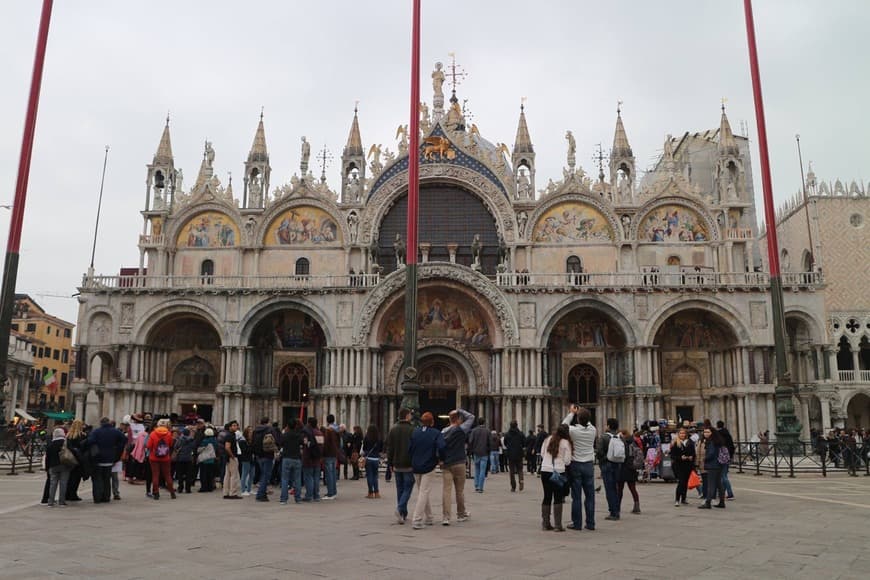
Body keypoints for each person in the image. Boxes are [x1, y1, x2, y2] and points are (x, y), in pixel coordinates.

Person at [409, 412, 445, 530]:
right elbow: (442, 447)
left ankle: (429, 517)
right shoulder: (436, 433)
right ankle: (417, 519)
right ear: (432, 422)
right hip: (429, 466)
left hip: (415, 466)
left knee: (422, 492)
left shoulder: (415, 432)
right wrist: (441, 459)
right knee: (423, 492)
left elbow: (409, 448)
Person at [563, 405, 597, 531]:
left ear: (578, 419)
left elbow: (563, 425)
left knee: (576, 496)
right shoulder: (593, 430)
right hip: (588, 465)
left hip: (576, 464)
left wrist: (572, 413)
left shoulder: (573, 430)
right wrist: (582, 413)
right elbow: (587, 422)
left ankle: (577, 523)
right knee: (590, 496)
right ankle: (591, 523)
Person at [441, 408, 475, 525]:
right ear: (459, 419)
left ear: (449, 419)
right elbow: (471, 417)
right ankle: (460, 515)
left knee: (446, 491)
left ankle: (446, 517)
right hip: (459, 463)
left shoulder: (443, 432)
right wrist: (459, 410)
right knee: (459, 491)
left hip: (447, 464)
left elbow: (440, 448)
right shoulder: (461, 429)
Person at [86, 417, 127, 504]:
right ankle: (106, 497)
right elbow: (124, 439)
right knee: (107, 479)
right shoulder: (115, 431)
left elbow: (90, 441)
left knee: (98, 479)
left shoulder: (96, 431)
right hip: (110, 459)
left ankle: (97, 497)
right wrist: (117, 450)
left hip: (98, 458)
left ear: (101, 423)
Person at [540, 425, 572, 532]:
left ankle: (545, 523)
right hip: (558, 471)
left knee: (547, 496)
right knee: (558, 497)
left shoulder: (547, 439)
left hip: (545, 470)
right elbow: (567, 461)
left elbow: (542, 454)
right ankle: (558, 525)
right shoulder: (565, 443)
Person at [386, 408, 415, 524]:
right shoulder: (412, 430)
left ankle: (403, 515)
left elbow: (389, 448)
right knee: (408, 488)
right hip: (409, 464)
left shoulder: (393, 430)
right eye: (410, 415)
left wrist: (390, 463)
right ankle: (400, 509)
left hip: (397, 464)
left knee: (400, 489)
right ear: (407, 416)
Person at [595, 417, 622, 521]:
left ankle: (613, 512)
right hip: (618, 465)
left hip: (607, 465)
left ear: (609, 426)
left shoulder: (603, 437)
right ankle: (617, 510)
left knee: (609, 489)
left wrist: (604, 459)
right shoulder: (620, 437)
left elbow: (599, 451)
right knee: (615, 488)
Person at [146, 418, 177, 500]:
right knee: (167, 475)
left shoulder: (153, 434)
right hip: (165, 458)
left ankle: (156, 493)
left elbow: (148, 446)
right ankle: (172, 492)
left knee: (155, 475)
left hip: (154, 458)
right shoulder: (169, 434)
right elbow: (170, 445)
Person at [251, 417, 280, 502]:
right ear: (268, 422)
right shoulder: (270, 429)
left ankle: (262, 494)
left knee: (263, 474)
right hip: (268, 455)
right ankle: (260, 495)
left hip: (258, 456)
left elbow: (253, 442)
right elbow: (277, 440)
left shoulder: (255, 430)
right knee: (266, 475)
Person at [699, 426, 727, 509]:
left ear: (712, 433)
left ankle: (708, 502)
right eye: (704, 432)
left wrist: (704, 458)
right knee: (718, 484)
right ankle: (722, 502)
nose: (705, 434)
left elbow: (711, 454)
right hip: (719, 464)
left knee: (711, 484)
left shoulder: (711, 442)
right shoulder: (717, 441)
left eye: (708, 432)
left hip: (712, 465)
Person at [45, 428, 73, 507]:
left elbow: (48, 457)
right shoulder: (66, 443)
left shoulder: (51, 444)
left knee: (53, 484)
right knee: (63, 483)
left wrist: (47, 468)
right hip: (65, 465)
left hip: (53, 466)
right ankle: (61, 501)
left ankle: (50, 502)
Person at [617, 428, 641, 515]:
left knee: (619, 489)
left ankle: (617, 507)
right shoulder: (633, 441)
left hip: (623, 467)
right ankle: (637, 506)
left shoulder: (622, 442)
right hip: (631, 467)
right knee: (633, 488)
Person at [279, 420, 304, 505]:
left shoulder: (285, 435)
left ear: (288, 426)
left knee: (285, 479)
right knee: (297, 479)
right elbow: (302, 443)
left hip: (287, 458)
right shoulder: (299, 435)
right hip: (296, 458)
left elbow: (280, 443)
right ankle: (298, 498)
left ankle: (283, 499)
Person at [671, 428, 696, 506]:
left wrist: (691, 457)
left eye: (683, 433)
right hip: (679, 465)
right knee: (681, 482)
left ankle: (684, 498)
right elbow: (672, 456)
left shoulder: (690, 442)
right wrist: (680, 457)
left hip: (688, 465)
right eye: (681, 433)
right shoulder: (675, 443)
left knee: (685, 483)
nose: (682, 435)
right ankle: (677, 499)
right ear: (678, 434)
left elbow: (693, 453)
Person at [301, 417, 324, 502]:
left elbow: (305, 443)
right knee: (316, 478)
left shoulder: (307, 432)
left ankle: (309, 495)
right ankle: (316, 495)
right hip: (317, 458)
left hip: (308, 458)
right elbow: (322, 446)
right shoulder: (320, 433)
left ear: (309, 423)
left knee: (309, 477)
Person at [63, 419, 86, 502]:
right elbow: (84, 448)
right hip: (79, 459)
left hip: (69, 459)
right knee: (76, 478)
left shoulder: (69, 435)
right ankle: (73, 494)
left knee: (69, 477)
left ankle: (66, 494)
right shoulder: (82, 435)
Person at [468, 418, 491, 493]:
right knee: (482, 470)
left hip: (476, 452)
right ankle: (481, 487)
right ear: (484, 422)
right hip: (484, 453)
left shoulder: (474, 431)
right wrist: (488, 451)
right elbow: (490, 442)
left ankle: (476, 485)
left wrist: (470, 451)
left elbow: (470, 441)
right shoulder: (487, 431)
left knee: (477, 469)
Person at [504, 420, 526, 493]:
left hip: (510, 454)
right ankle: (521, 481)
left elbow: (505, 443)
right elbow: (524, 443)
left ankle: (513, 486)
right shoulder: (521, 434)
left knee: (512, 471)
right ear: (517, 425)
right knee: (520, 469)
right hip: (519, 454)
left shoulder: (507, 434)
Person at [221, 420, 242, 499]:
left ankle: (226, 492)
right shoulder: (229, 435)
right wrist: (232, 456)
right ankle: (233, 493)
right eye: (233, 425)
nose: (235, 427)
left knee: (228, 475)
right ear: (230, 427)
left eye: (236, 425)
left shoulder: (231, 435)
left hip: (228, 457)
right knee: (234, 475)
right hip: (231, 457)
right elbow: (227, 447)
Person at [716, 420, 736, 500]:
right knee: (724, 475)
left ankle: (730, 493)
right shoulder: (728, 434)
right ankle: (722, 493)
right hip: (727, 457)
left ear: (717, 426)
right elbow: (732, 446)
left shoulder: (718, 435)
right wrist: (730, 456)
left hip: (720, 457)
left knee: (723, 476)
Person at [362, 424, 383, 499]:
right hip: (376, 459)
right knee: (375, 476)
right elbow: (381, 449)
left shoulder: (366, 438)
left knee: (369, 476)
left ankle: (370, 493)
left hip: (368, 459)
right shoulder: (379, 438)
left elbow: (364, 448)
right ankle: (377, 493)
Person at [174, 428, 196, 493]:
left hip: (180, 459)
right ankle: (188, 489)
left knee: (180, 474)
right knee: (188, 475)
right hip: (188, 458)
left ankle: (180, 488)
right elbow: (194, 447)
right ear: (189, 433)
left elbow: (175, 447)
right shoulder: (191, 440)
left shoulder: (179, 440)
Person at [322, 420, 340, 500]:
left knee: (329, 475)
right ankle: (334, 492)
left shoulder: (328, 433)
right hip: (334, 455)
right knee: (332, 474)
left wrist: (322, 454)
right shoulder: (337, 432)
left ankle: (330, 493)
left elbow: (325, 446)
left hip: (328, 455)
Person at [197, 428, 218, 492]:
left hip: (204, 460)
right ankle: (210, 487)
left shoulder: (204, 441)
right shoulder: (214, 441)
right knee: (210, 474)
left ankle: (204, 487)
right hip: (211, 460)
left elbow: (199, 450)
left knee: (203, 474)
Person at [238, 426, 254, 496]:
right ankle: (243, 490)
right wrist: (252, 447)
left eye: (251, 431)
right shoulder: (242, 440)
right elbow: (245, 450)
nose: (251, 433)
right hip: (245, 459)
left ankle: (249, 489)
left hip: (252, 459)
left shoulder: (251, 440)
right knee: (244, 474)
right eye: (250, 431)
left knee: (252, 475)